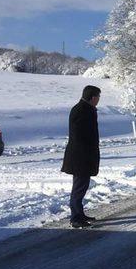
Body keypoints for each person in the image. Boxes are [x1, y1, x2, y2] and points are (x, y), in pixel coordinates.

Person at [61, 85, 101, 228]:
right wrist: (87, 151)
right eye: (98, 97)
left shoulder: (86, 109)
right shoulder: (81, 110)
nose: (99, 100)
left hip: (83, 156)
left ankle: (79, 213)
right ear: (93, 97)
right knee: (78, 188)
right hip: (80, 156)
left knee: (81, 187)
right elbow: (79, 136)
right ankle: (75, 218)